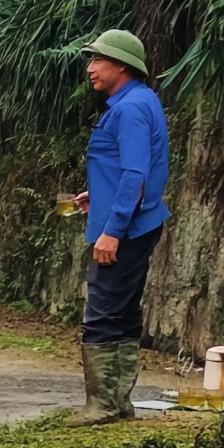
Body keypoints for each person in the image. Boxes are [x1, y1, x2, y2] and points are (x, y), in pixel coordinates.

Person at [69, 29, 170, 423]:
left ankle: (103, 404)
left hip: (126, 228)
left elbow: (134, 173)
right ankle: (118, 401)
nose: (90, 69)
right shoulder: (140, 101)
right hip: (134, 219)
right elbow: (128, 168)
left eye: (98, 60)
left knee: (103, 310)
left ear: (122, 66)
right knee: (123, 310)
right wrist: (97, 194)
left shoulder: (129, 109)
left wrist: (112, 230)